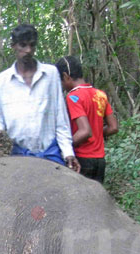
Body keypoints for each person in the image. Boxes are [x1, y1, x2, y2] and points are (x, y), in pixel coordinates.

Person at [0, 24, 80, 172]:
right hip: (19, 154)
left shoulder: (50, 74)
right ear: (13, 46)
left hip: (50, 153)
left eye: (32, 46)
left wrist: (68, 152)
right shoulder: (1, 82)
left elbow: (60, 116)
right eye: (23, 45)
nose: (28, 51)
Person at [55, 55, 118, 183]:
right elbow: (113, 127)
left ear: (66, 76)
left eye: (61, 81)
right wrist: (98, 133)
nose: (61, 85)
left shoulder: (73, 97)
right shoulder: (100, 94)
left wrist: (65, 147)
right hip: (100, 160)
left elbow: (85, 131)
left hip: (82, 158)